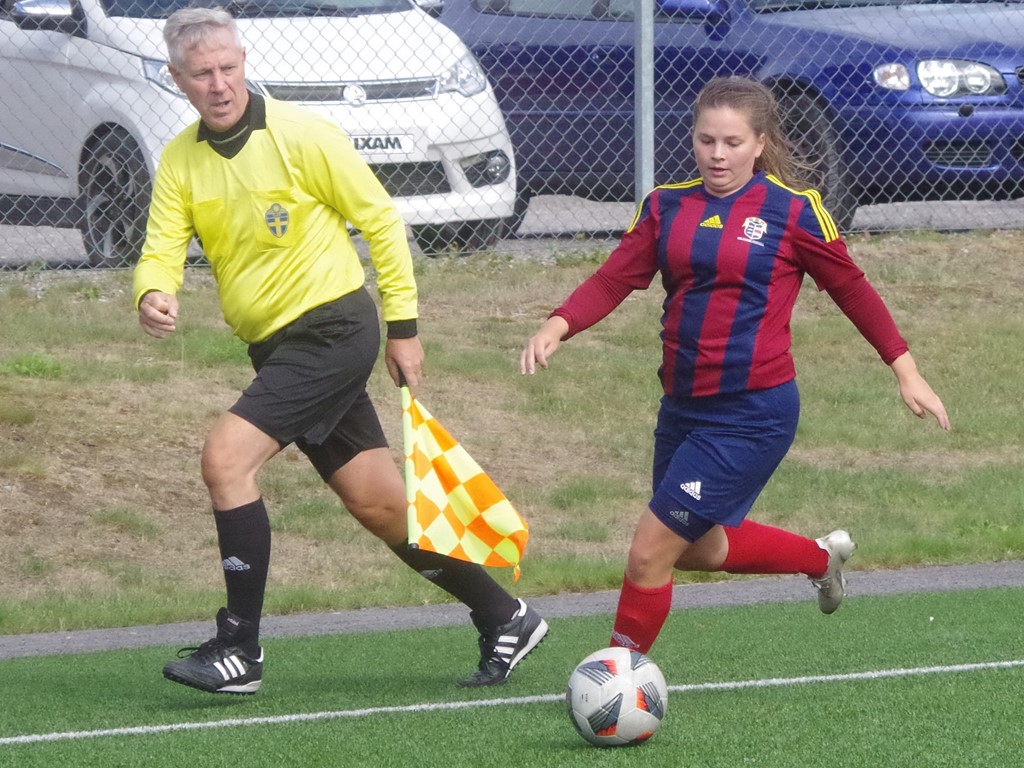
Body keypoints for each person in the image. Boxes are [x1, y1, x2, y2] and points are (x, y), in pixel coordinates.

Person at [134, 6, 547, 694]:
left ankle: (240, 650)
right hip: (276, 348)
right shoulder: (181, 158)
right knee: (379, 504)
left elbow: (381, 220)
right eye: (202, 73)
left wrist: (405, 327)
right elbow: (160, 246)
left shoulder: (301, 134)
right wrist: (153, 291)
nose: (219, 83)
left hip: (333, 329)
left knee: (225, 459)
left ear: (244, 63)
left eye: (229, 67)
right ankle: (505, 614)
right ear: (179, 80)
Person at [520, 76, 950, 655]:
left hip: (753, 412)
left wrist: (905, 367)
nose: (717, 154)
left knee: (650, 550)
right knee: (693, 547)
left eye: (731, 142)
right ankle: (819, 559)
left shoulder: (793, 210)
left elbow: (852, 289)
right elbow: (615, 276)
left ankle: (617, 677)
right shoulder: (666, 205)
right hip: (682, 407)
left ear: (759, 143)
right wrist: (559, 323)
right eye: (705, 141)